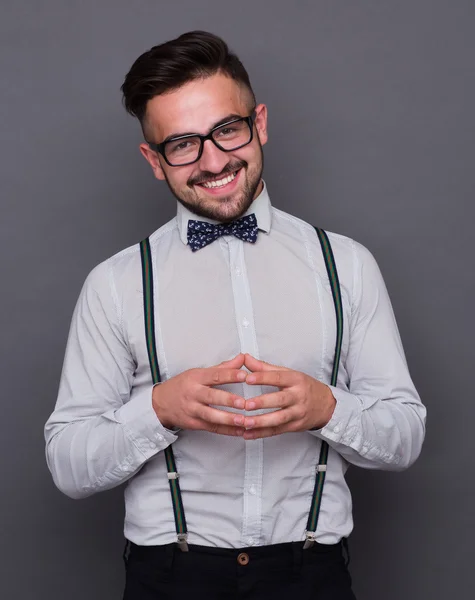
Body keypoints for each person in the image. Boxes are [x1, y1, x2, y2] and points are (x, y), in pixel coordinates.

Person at [44, 30, 426, 600]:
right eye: (182, 144)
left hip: (312, 575)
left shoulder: (345, 264)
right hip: (169, 578)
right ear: (154, 159)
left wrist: (328, 408)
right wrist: (157, 410)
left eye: (227, 129)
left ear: (260, 123)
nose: (214, 160)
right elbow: (68, 466)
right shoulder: (115, 284)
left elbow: (406, 436)